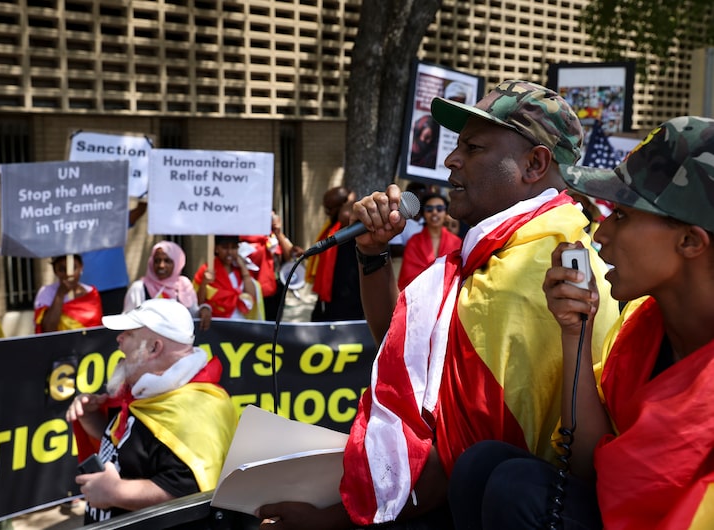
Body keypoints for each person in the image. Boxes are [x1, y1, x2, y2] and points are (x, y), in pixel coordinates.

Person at [257, 80, 620, 529]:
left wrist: (330, 521)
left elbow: (458, 459)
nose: (451, 160)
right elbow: (407, 354)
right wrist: (373, 255)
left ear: (534, 163)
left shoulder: (530, 273)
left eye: (473, 148)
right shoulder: (503, 253)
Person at [448, 116, 714, 529]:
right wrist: (575, 331)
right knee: (485, 465)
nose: (601, 233)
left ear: (690, 242)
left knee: (515, 488)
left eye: (623, 216)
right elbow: (589, 465)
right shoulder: (641, 330)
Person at [66, 298, 237, 524]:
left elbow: (189, 493)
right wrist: (90, 417)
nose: (119, 339)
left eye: (129, 333)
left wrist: (116, 493)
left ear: (154, 347)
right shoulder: (146, 393)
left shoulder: (196, 411)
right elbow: (133, 448)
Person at [122, 240, 211, 330]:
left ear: (177, 263)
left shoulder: (183, 285)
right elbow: (128, 321)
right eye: (157, 261)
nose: (161, 265)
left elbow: (193, 316)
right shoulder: (139, 288)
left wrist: (204, 309)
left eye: (167, 261)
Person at [307, 186, 364, 322]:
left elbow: (345, 215)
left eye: (330, 208)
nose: (327, 213)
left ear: (344, 205)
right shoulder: (331, 228)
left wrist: (350, 199)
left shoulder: (350, 226)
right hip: (326, 296)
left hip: (348, 300)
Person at [80, 201, 147, 315]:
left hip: (115, 287)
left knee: (113, 330)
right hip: (85, 289)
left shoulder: (113, 218)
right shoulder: (74, 220)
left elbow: (140, 210)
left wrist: (143, 189)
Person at [240, 211, 303, 321]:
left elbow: (288, 257)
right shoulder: (247, 238)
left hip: (276, 286)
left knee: (273, 320)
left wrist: (278, 233)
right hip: (255, 288)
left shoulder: (275, 237)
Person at [397, 193, 462, 290]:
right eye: (429, 209)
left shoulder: (457, 242)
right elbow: (407, 278)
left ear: (446, 213)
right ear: (424, 214)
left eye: (439, 208)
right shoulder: (414, 241)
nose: (434, 212)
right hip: (417, 297)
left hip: (448, 299)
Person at [193, 235, 264, 320]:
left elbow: (251, 296)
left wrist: (243, 268)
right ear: (216, 248)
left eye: (234, 248)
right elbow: (199, 302)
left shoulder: (240, 269)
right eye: (225, 248)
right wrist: (204, 282)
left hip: (239, 323)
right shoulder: (207, 269)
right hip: (217, 323)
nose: (229, 252)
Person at [34, 254, 103, 333]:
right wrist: (60, 294)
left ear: (81, 267)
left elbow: (97, 328)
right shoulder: (46, 292)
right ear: (55, 270)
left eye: (73, 268)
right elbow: (48, 330)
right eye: (62, 269)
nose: (68, 274)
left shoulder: (91, 293)